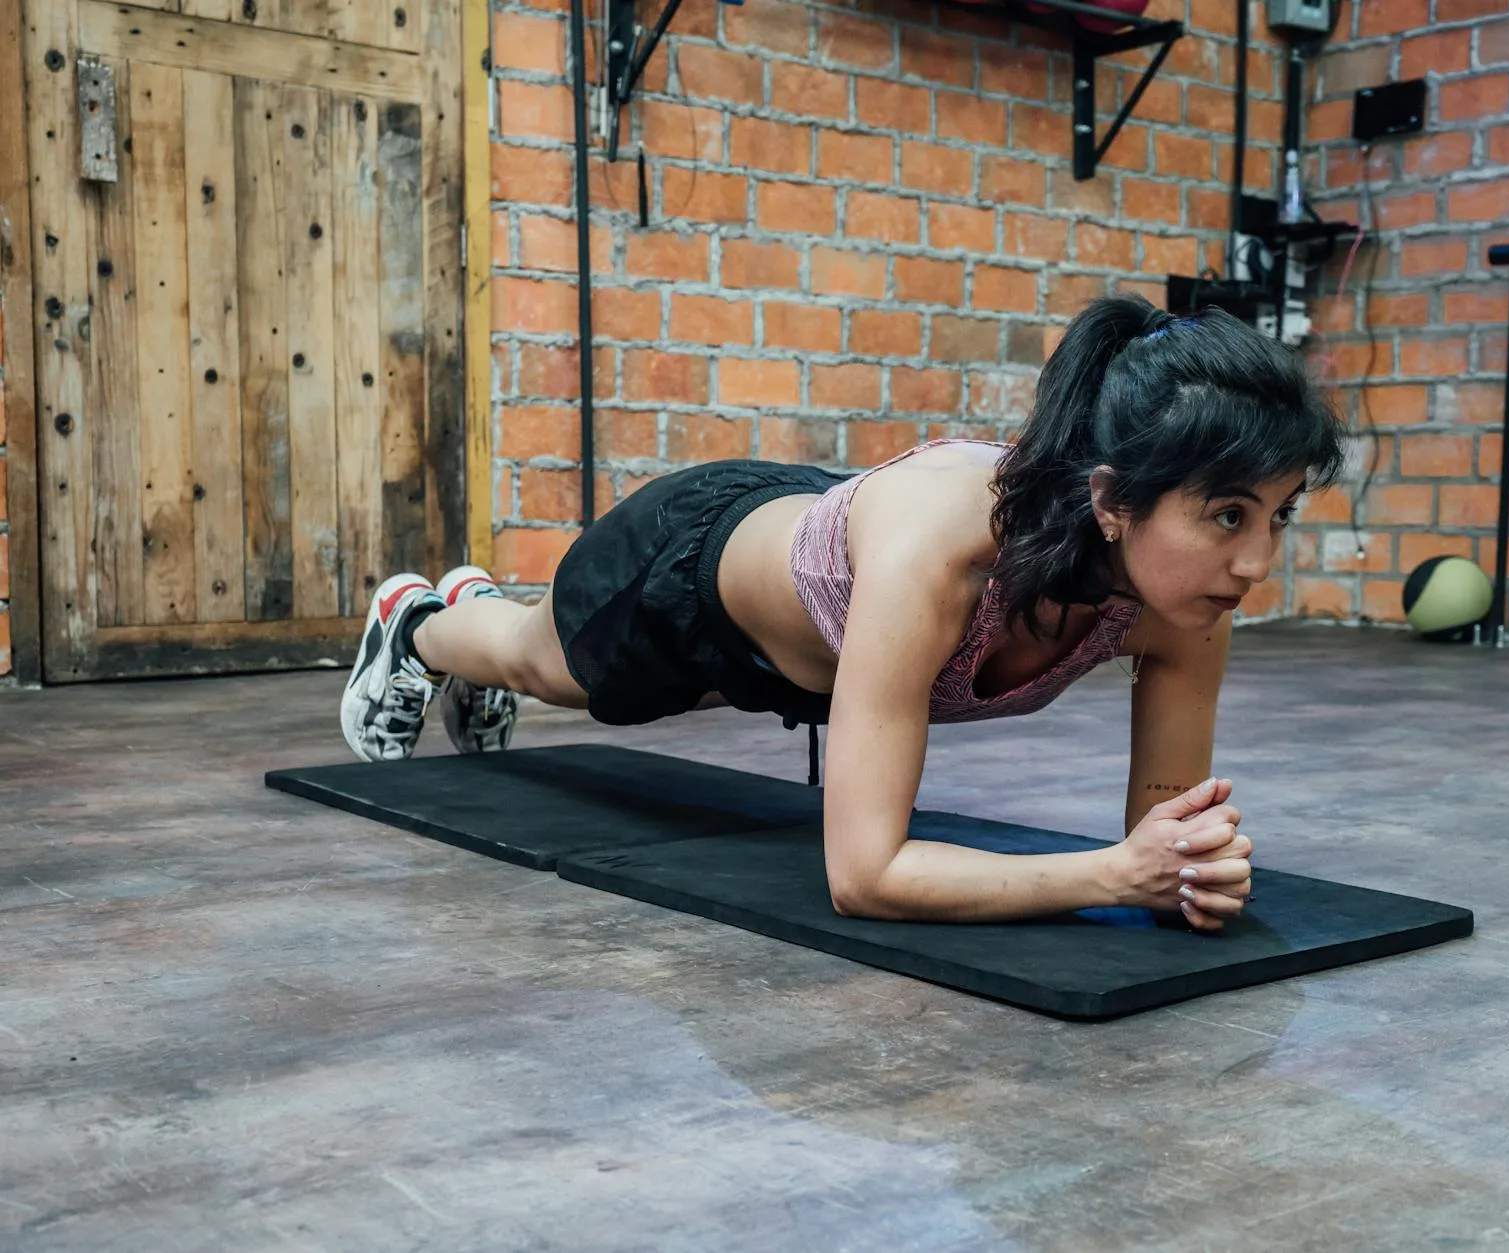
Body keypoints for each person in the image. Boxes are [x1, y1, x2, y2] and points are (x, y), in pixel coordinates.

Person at [340, 294, 1347, 931]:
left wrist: (1187, 872)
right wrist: (1112, 876)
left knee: (554, 666)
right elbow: (864, 875)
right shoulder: (943, 550)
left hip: (823, 602)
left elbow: (1157, 842)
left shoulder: (1187, 595)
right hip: (690, 569)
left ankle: (465, 623)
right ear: (1110, 498)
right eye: (1224, 515)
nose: (1255, 560)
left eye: (1276, 515)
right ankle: (425, 619)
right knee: (540, 662)